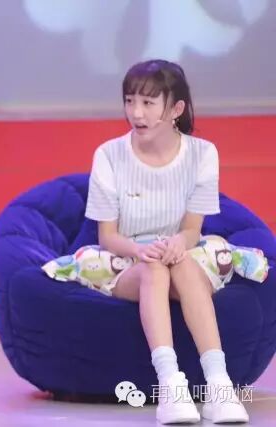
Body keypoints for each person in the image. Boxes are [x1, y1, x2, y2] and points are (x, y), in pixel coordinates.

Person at [85, 59, 249, 424]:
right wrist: (141, 250)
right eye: (130, 101)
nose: (136, 113)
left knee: (181, 264)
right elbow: (107, 236)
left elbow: (192, 229)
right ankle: (171, 384)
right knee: (154, 268)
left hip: (182, 252)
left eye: (148, 103)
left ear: (176, 109)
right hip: (129, 258)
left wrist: (178, 243)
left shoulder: (202, 154)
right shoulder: (109, 155)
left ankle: (219, 386)